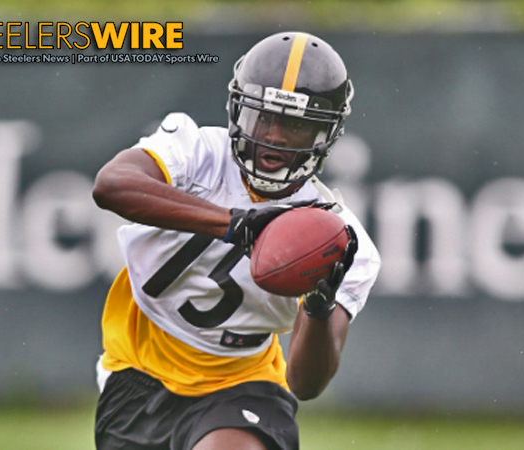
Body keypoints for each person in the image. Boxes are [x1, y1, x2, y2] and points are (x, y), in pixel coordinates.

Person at [92, 31, 381, 450]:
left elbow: (304, 382)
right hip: (137, 367)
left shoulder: (337, 237)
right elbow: (111, 185)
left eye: (296, 123)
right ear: (239, 109)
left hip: (242, 381)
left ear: (323, 135)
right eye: (265, 115)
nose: (276, 136)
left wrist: (319, 306)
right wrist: (234, 223)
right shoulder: (198, 152)